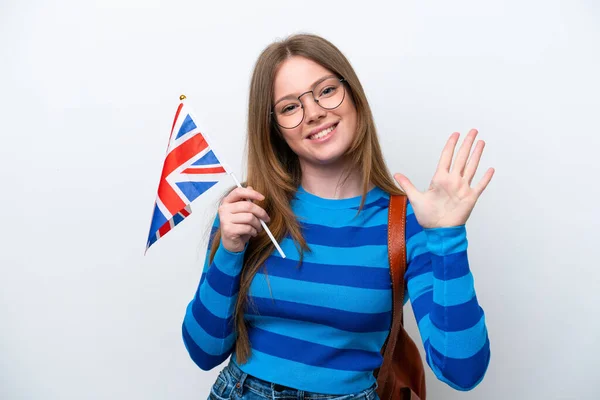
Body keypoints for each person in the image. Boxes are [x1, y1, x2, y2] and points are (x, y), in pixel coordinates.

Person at [181, 33, 493, 400]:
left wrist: (447, 236)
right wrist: (229, 250)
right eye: (289, 107)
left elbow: (463, 370)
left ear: (354, 97)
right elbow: (204, 351)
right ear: (275, 128)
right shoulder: (249, 210)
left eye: (326, 91)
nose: (313, 112)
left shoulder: (408, 223)